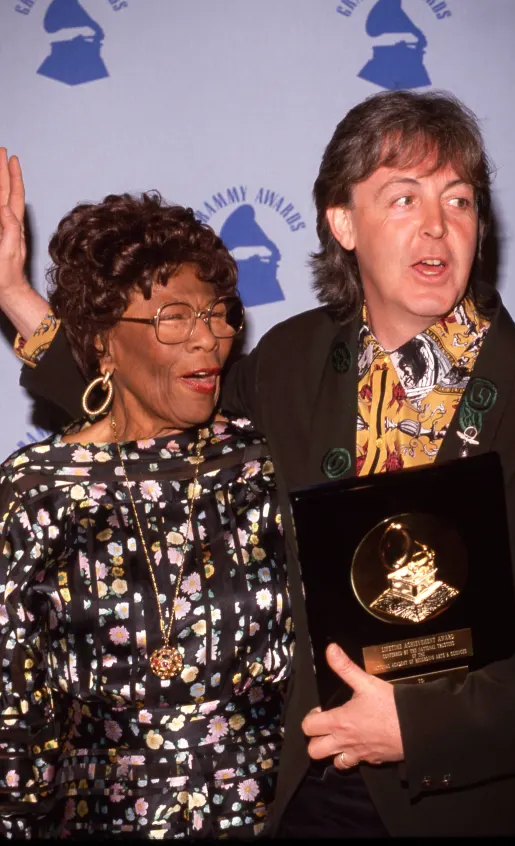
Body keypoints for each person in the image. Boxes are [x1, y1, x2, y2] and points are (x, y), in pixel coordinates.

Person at [2, 87, 515, 837]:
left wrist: (420, 726)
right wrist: (16, 295)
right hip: (306, 794)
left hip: (483, 799)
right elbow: (145, 407)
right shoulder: (293, 359)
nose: (438, 224)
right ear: (343, 222)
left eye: (459, 200)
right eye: (403, 198)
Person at [0, 183, 293, 838]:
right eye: (175, 317)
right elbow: (14, 726)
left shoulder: (258, 464)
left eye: (219, 314)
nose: (209, 340)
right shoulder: (39, 491)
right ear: (104, 342)